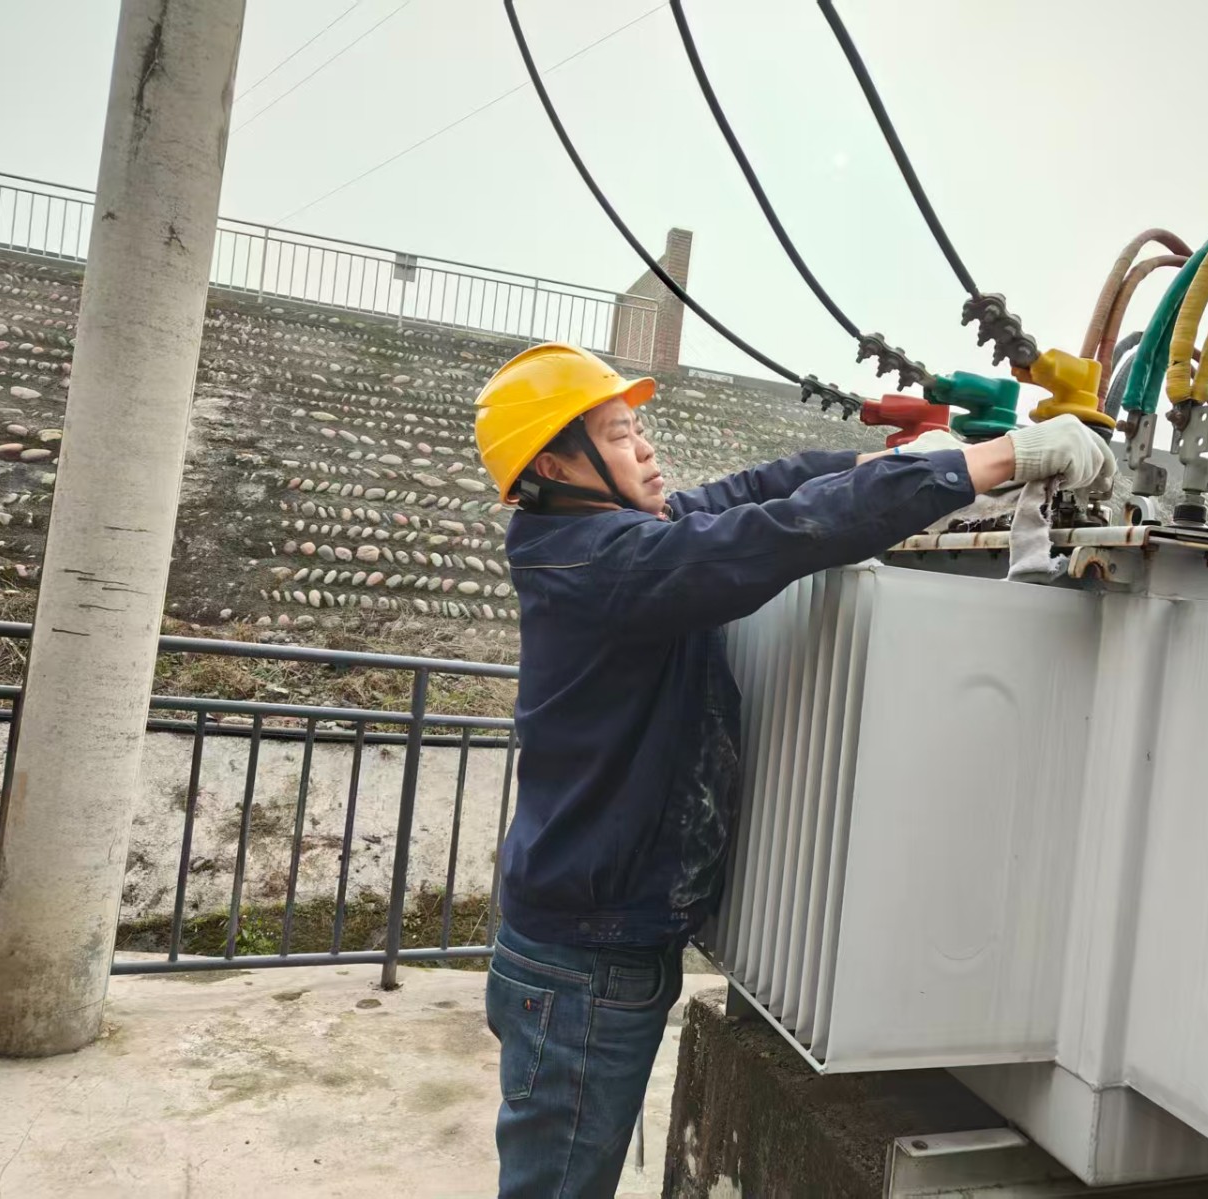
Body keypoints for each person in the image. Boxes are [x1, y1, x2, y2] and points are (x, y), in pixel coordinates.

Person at [472, 343, 1111, 1198]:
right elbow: (772, 536)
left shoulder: (596, 541)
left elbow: (753, 493)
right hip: (582, 963)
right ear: (555, 466)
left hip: (590, 948)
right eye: (620, 435)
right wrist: (997, 461)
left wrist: (896, 463)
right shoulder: (609, 565)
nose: (647, 448)